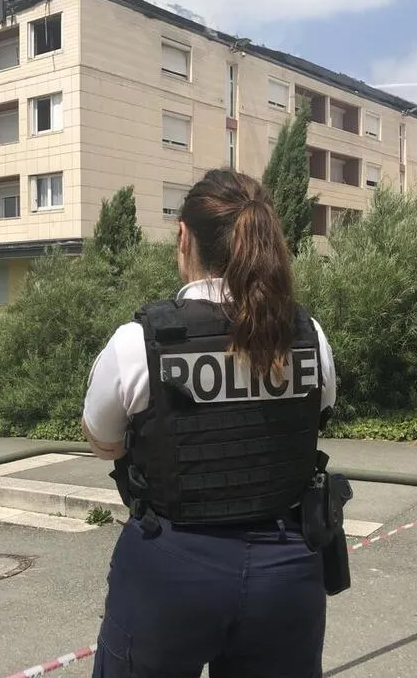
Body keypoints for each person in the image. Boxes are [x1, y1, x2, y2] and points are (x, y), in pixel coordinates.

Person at [81, 169, 339, 678]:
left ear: (184, 237)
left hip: (171, 567)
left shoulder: (139, 342)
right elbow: (318, 415)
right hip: (286, 569)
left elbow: (103, 441)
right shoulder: (308, 333)